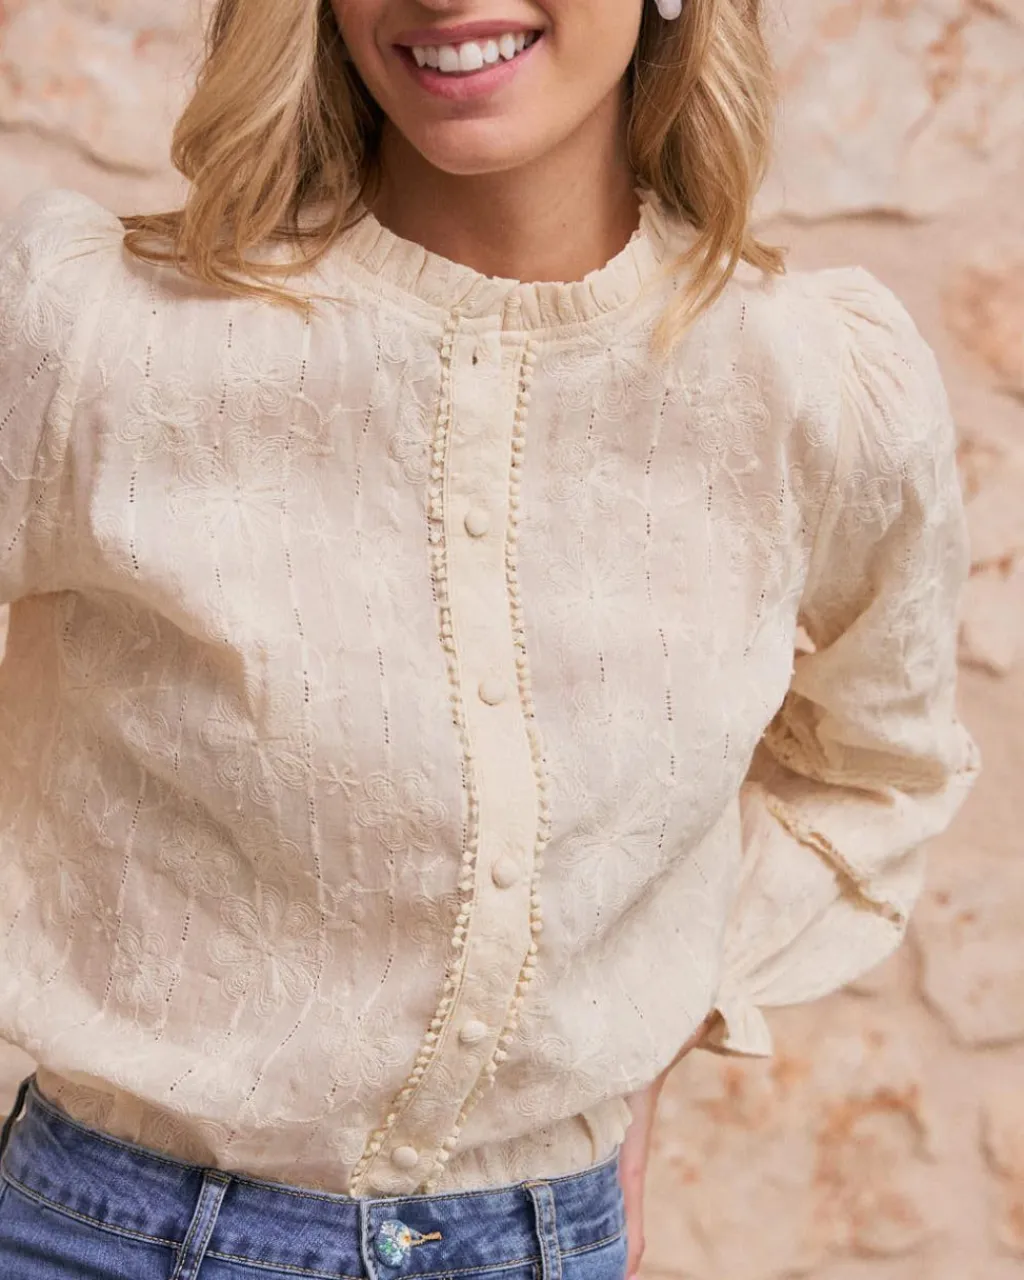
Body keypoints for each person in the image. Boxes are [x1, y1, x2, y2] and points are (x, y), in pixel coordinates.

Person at [0, 0, 980, 1276]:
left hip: (541, 1242)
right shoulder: (99, 335)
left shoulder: (810, 384)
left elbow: (878, 764)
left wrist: (647, 1024)